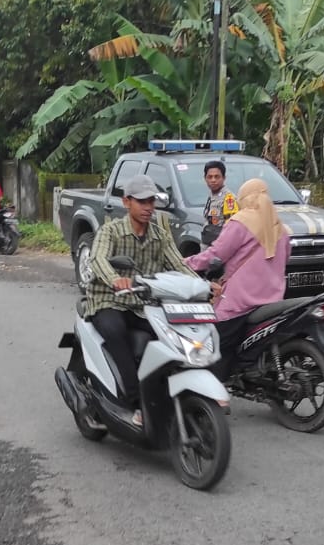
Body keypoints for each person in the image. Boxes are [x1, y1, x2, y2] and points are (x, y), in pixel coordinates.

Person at [79, 173, 188, 422]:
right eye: (142, 201)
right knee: (116, 332)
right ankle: (136, 401)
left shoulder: (160, 235)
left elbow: (179, 265)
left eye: (151, 201)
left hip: (144, 305)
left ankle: (169, 393)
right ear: (127, 202)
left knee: (174, 336)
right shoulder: (111, 231)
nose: (148, 207)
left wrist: (202, 285)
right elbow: (98, 259)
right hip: (109, 300)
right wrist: (115, 279)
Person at [184, 177, 288, 374]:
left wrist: (186, 263)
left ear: (244, 198)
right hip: (273, 300)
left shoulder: (241, 222)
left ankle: (216, 384)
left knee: (215, 342)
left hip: (240, 302)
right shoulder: (281, 228)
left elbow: (216, 254)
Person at [201, 160, 238, 236]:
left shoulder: (228, 198)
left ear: (224, 178)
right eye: (210, 177)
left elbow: (232, 227)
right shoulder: (212, 196)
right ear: (205, 178)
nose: (213, 180)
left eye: (217, 177)